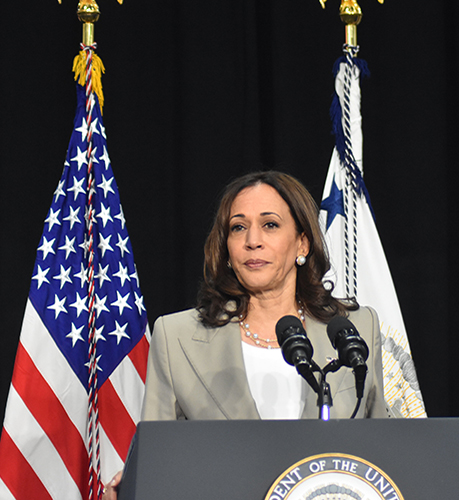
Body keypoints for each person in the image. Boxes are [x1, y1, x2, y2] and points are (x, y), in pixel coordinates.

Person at [103, 171, 394, 499]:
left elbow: (380, 457)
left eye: (270, 224)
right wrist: (137, 482)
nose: (252, 240)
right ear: (227, 248)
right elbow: (159, 458)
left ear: (302, 242)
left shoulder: (355, 328)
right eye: (238, 227)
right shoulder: (177, 337)